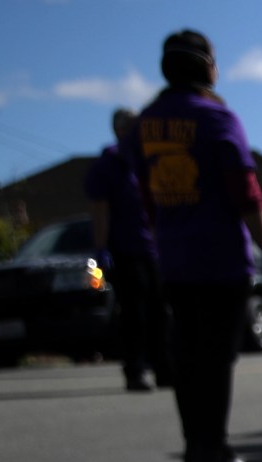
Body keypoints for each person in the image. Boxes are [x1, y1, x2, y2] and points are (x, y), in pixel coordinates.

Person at [124, 31, 262, 462]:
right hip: (220, 258)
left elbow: (147, 191)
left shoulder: (146, 124)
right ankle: (216, 446)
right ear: (206, 66)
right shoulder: (217, 119)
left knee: (188, 354)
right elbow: (246, 192)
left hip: (173, 257)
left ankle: (195, 444)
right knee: (217, 357)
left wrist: (163, 235)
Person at [86, 110, 163, 392]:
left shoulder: (146, 160)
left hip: (153, 250)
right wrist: (100, 249)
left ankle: (164, 367)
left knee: (159, 311)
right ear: (118, 130)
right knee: (134, 313)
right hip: (125, 251)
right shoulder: (109, 165)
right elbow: (99, 211)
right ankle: (135, 370)